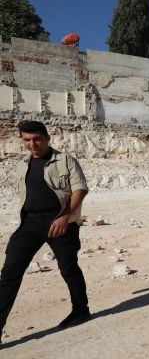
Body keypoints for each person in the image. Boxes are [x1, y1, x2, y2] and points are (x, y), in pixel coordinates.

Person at [0, 121, 91, 344]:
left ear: (47, 138)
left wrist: (65, 217)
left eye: (37, 139)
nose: (32, 144)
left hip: (60, 221)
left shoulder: (65, 160)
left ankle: (81, 310)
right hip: (29, 223)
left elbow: (81, 188)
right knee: (9, 273)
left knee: (68, 268)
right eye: (27, 140)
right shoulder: (22, 164)